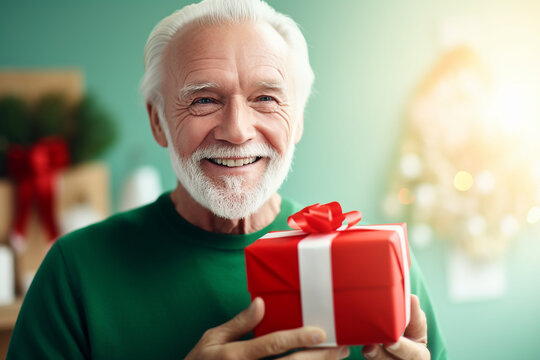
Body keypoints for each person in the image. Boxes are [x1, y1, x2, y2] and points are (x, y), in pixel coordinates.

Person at [7, 0, 447, 359]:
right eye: (203, 99)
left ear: (298, 121)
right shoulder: (75, 272)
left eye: (266, 98)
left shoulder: (381, 262)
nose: (237, 130)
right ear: (158, 122)